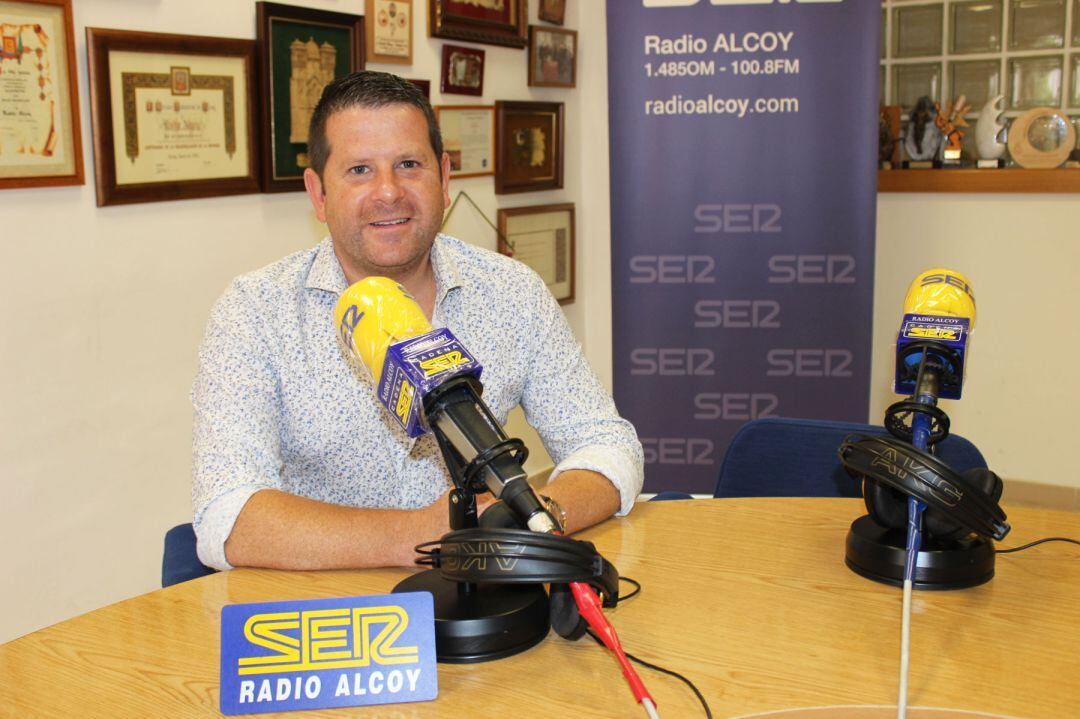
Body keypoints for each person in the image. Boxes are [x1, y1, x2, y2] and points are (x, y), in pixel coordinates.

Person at [191, 71, 643, 572]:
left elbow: (608, 445)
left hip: (486, 602)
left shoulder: (512, 291)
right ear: (318, 194)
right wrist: (430, 536)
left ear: (445, 179)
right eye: (359, 170)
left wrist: (535, 519)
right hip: (333, 615)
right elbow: (227, 518)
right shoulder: (255, 311)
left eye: (409, 164)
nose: (389, 192)